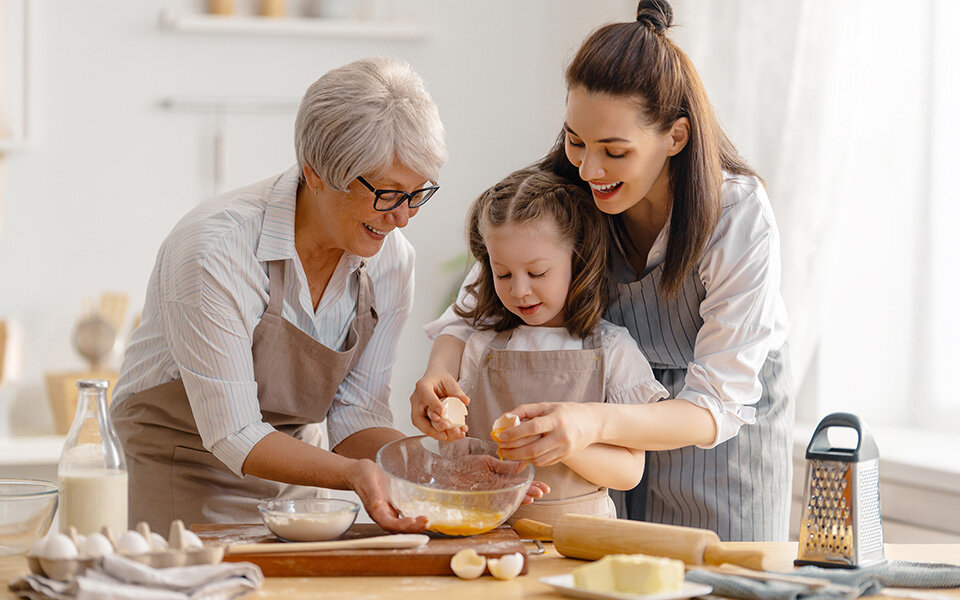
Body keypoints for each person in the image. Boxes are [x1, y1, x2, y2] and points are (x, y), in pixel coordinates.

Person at [413, 0, 793, 541]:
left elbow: (716, 405)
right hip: (601, 436)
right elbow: (469, 314)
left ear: (676, 138)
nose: (589, 170)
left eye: (614, 151)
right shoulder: (567, 195)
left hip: (716, 439)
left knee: (720, 576)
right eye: (576, 141)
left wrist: (592, 421)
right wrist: (436, 376)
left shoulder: (735, 215)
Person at [110, 57, 455, 535]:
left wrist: (440, 467)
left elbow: (356, 415)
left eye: (419, 193)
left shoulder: (391, 260)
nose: (404, 218)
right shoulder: (216, 250)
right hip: (184, 464)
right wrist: (350, 474)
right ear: (316, 173)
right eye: (388, 194)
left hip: (301, 473)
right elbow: (233, 434)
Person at [424, 168, 668, 524]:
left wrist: (564, 443)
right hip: (489, 531)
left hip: (583, 537)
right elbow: (455, 450)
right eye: (503, 274)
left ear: (578, 260)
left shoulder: (613, 350)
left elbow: (629, 471)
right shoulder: (481, 348)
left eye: (537, 273)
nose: (519, 290)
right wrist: (456, 450)